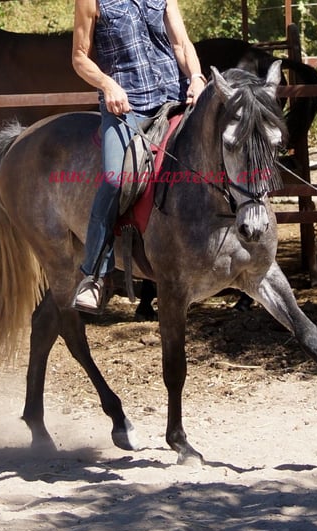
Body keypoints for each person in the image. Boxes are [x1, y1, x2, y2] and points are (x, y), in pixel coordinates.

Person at [70, 0, 206, 313]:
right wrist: (107, 84)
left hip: (173, 100)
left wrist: (196, 77)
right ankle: (94, 275)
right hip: (126, 108)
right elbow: (79, 57)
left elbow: (180, 43)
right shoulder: (91, 1)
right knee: (118, 180)